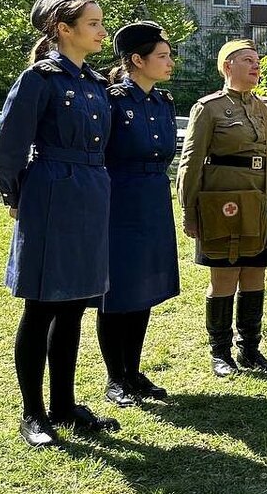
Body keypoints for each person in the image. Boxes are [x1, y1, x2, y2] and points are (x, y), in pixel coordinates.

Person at [0, 0, 119, 447]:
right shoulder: (39, 80)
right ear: (63, 30)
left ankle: (64, 405)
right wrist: (17, 198)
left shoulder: (95, 84)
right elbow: (7, 150)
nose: (102, 31)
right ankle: (34, 413)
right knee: (43, 305)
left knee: (74, 306)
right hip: (51, 194)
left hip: (91, 193)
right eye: (94, 24)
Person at [177, 40, 267, 377]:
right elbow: (190, 163)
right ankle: (220, 353)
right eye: (247, 60)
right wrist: (189, 210)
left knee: (255, 274)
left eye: (257, 61)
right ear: (227, 66)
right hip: (223, 204)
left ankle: (250, 349)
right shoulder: (209, 108)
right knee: (225, 276)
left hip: (262, 203)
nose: (256, 66)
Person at [95, 21, 181, 407]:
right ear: (136, 60)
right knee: (118, 291)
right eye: (162, 56)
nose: (170, 63)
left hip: (153, 198)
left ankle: (133, 370)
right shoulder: (110, 100)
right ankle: (116, 378)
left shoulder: (163, 103)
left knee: (144, 288)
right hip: (119, 199)